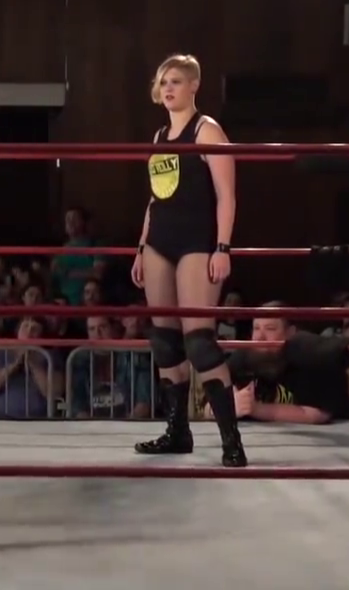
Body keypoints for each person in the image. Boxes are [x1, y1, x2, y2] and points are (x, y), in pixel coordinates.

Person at [131, 53, 246, 467]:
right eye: (163, 82)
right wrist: (141, 247)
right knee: (164, 341)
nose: (168, 88)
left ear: (194, 85)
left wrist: (223, 247)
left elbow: (227, 195)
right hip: (160, 241)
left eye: (176, 81)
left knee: (199, 341)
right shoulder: (160, 136)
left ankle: (231, 441)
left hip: (197, 243)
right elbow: (155, 199)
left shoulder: (207, 130)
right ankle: (177, 432)